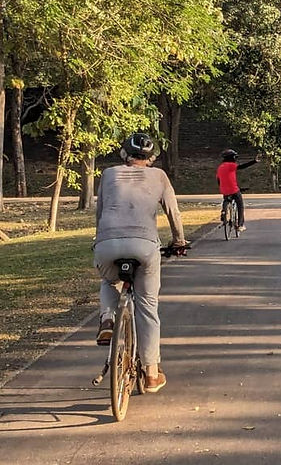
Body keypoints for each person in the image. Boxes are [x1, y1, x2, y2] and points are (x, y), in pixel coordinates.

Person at [93, 132, 185, 394]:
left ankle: (108, 319)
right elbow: (173, 213)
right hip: (144, 245)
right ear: (152, 158)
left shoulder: (109, 174)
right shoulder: (159, 176)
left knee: (109, 280)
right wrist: (178, 241)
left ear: (124, 155)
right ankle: (152, 374)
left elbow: (100, 214)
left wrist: (103, 239)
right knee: (147, 307)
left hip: (107, 243)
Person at [216, 149, 259, 230]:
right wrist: (254, 161)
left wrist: (222, 187)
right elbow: (242, 166)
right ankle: (240, 224)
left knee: (226, 200)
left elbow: (218, 179)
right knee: (240, 205)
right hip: (234, 189)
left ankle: (223, 216)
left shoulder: (220, 167)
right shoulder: (231, 165)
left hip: (224, 190)